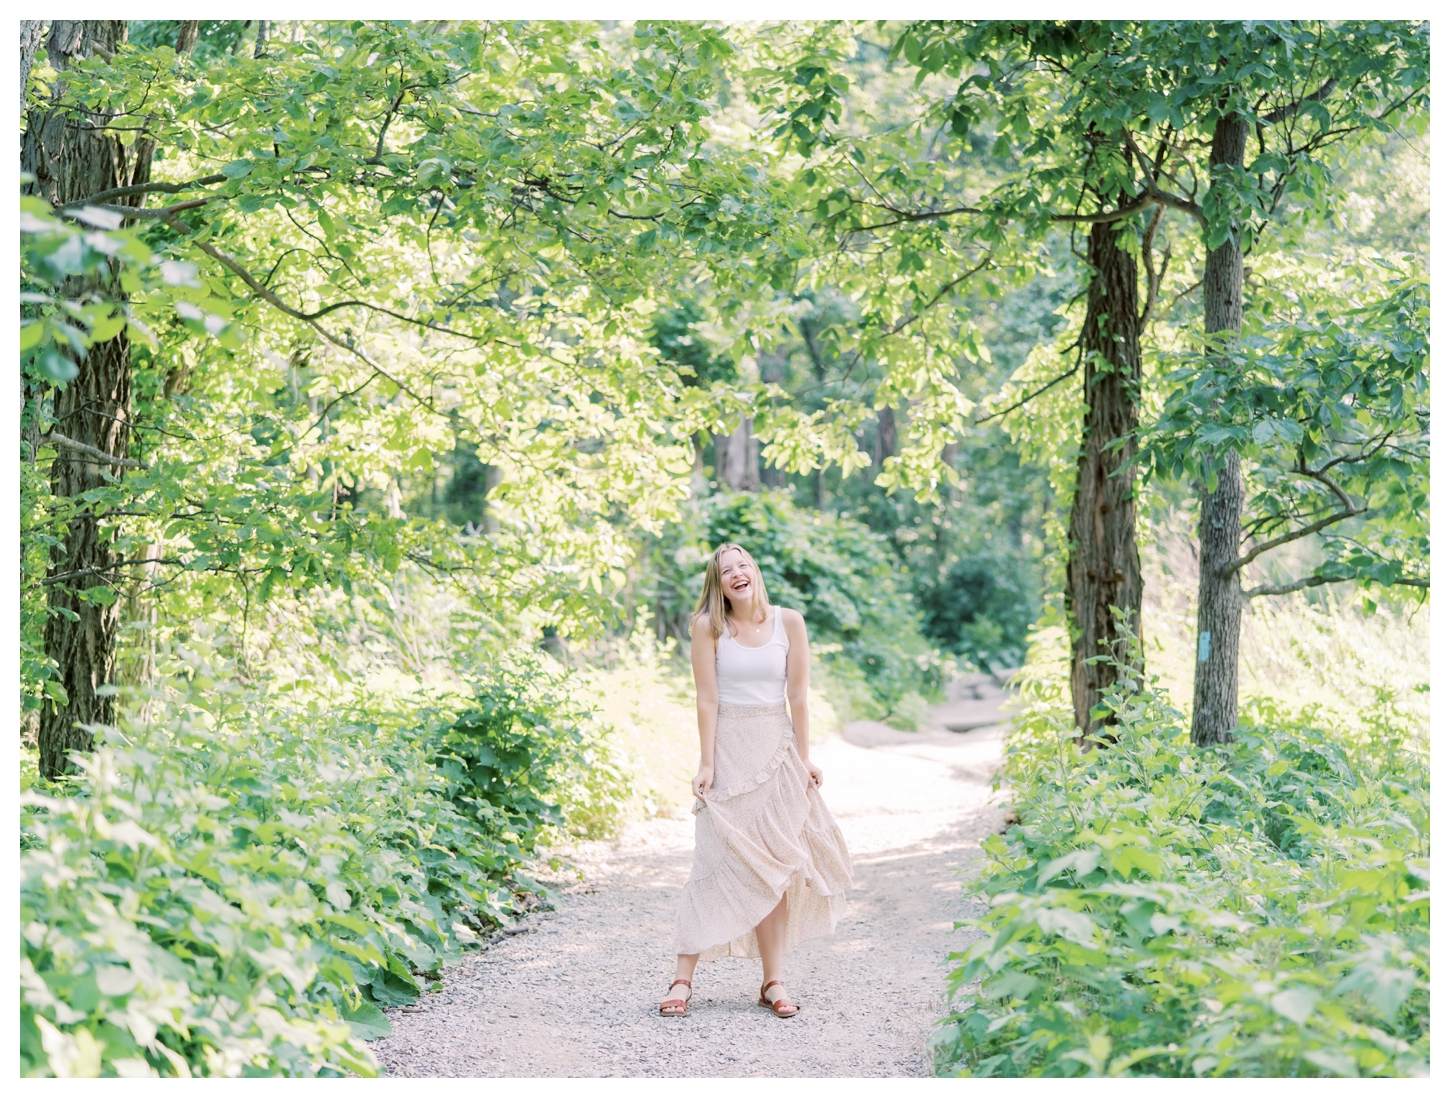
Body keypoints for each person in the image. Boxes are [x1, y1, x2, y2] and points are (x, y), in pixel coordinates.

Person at [658, 543, 853, 1018]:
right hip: (729, 752)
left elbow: (799, 696)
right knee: (712, 861)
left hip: (776, 752)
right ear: (718, 584)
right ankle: (682, 980)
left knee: (774, 869)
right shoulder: (708, 627)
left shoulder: (790, 623)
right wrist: (707, 763)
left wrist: (803, 760)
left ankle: (773, 982)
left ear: (756, 572)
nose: (737, 573)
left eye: (743, 564)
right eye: (727, 571)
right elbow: (706, 700)